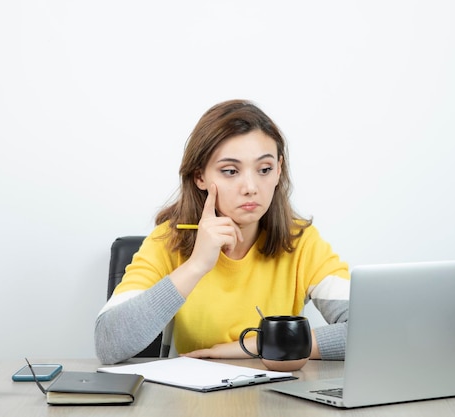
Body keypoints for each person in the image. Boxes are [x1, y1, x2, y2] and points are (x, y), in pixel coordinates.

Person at [95, 99, 350, 365]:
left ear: (278, 171)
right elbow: (108, 342)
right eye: (230, 171)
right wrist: (196, 265)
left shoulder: (302, 242)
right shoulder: (167, 241)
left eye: (264, 169)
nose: (250, 187)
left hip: (277, 400)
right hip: (187, 402)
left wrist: (256, 345)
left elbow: (370, 330)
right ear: (200, 176)